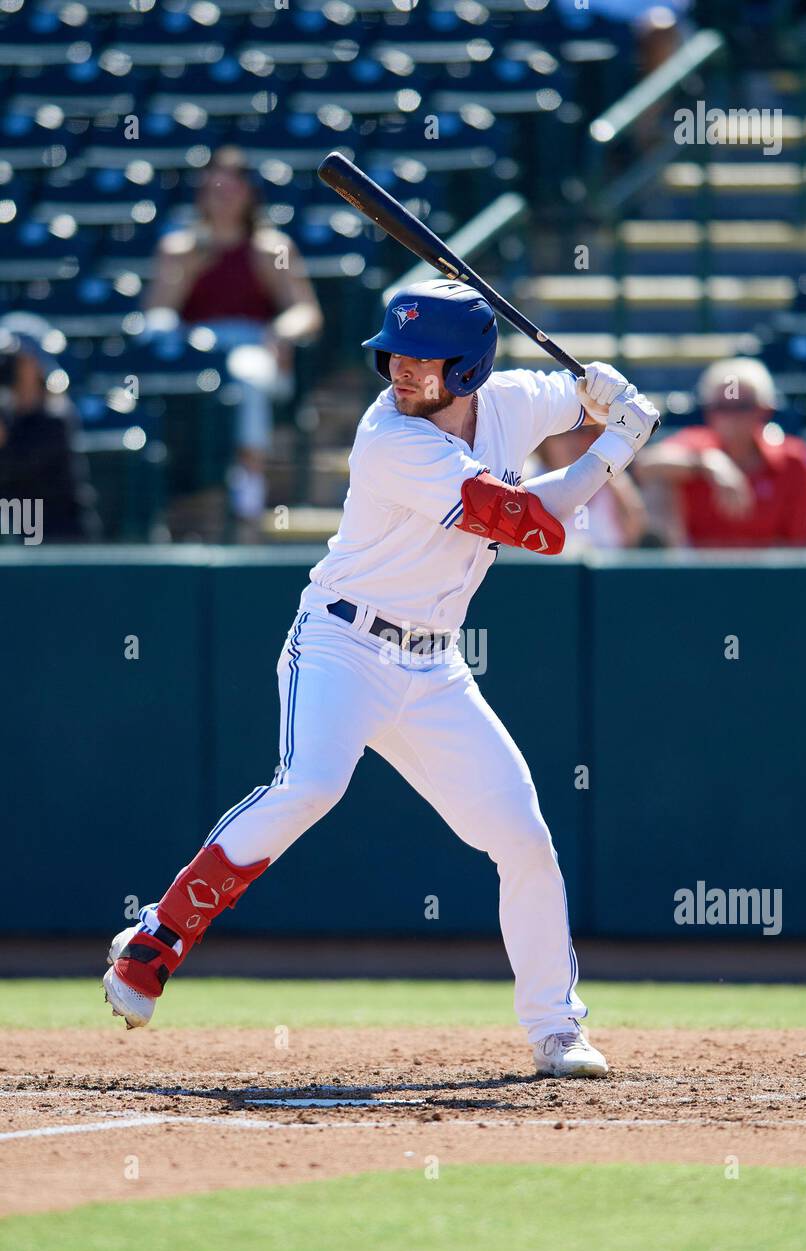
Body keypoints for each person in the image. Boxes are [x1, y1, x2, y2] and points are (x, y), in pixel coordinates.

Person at [102, 281, 658, 1079]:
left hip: (433, 666)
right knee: (309, 787)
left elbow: (572, 397)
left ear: (465, 368)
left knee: (524, 841)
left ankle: (554, 1030)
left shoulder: (510, 401)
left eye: (420, 356)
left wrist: (602, 391)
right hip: (341, 644)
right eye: (392, 352)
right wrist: (615, 446)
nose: (398, 368)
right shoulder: (389, 438)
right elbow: (529, 525)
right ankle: (157, 937)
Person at [145, 146, 323, 538]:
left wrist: (279, 332)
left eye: (232, 187)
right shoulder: (178, 249)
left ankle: (249, 484)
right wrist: (188, 268)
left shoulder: (272, 248)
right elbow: (157, 316)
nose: (223, 196)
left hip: (252, 347)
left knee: (246, 376)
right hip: (193, 352)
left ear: (249, 194)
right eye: (214, 188)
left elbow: (306, 312)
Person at [633, 358, 806, 546]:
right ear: (708, 411)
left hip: (768, 574)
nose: (731, 417)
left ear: (765, 409)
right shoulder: (695, 445)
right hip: (697, 573)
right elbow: (645, 465)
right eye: (722, 407)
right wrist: (707, 463)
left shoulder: (792, 460)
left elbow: (801, 544)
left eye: (743, 406)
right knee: (658, 485)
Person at [0, 320, 98, 542]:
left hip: (58, 540)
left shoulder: (56, 417)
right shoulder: (6, 413)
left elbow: (17, 467)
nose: (8, 366)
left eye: (17, 359)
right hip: (15, 537)